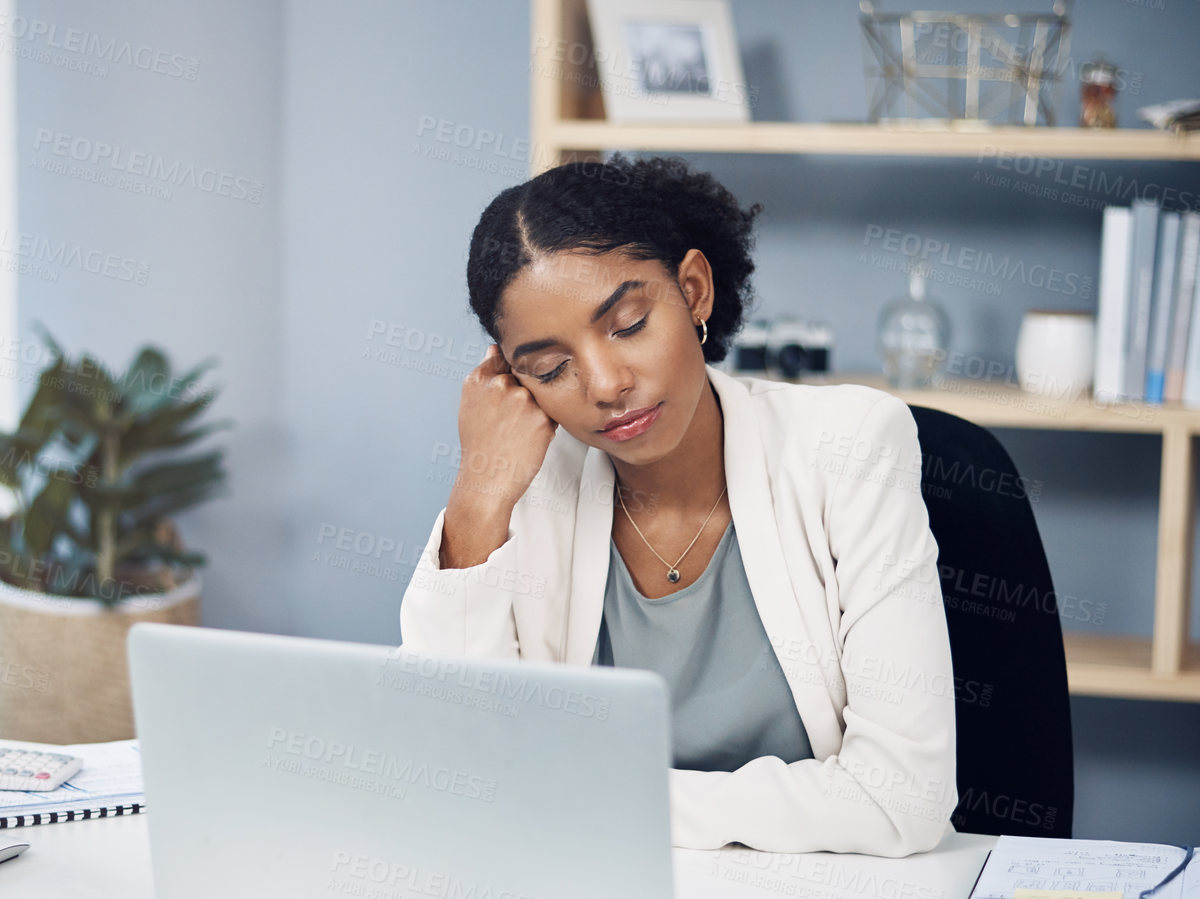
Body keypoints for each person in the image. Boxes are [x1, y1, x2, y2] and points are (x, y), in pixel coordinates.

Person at [399, 155, 956, 856]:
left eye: (628, 324)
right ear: (513, 381)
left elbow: (901, 799)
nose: (605, 384)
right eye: (549, 368)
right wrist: (478, 496)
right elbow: (457, 775)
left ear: (693, 290)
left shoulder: (848, 446)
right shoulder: (522, 486)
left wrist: (584, 798)